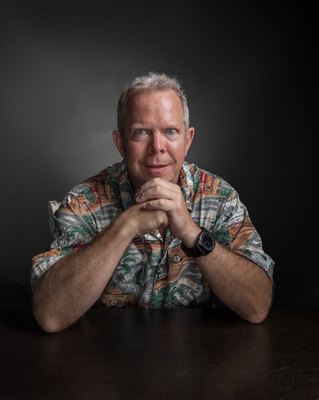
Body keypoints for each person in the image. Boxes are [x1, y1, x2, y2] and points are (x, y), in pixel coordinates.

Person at [31, 72, 274, 333]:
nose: (157, 147)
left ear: (188, 139)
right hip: (104, 361)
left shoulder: (219, 197)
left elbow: (257, 307)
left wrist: (192, 234)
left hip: (197, 361)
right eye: (140, 133)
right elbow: (50, 316)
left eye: (170, 131)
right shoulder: (84, 202)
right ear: (120, 143)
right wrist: (126, 226)